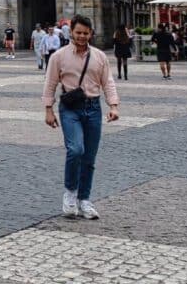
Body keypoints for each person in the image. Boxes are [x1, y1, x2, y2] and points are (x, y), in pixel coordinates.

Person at [43, 16, 120, 220]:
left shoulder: (100, 56)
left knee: (89, 158)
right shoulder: (58, 56)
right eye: (78, 32)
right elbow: (50, 83)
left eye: (86, 33)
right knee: (76, 149)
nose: (82, 36)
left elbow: (108, 82)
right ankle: (70, 193)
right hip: (70, 108)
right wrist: (48, 109)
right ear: (71, 32)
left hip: (93, 107)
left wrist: (113, 105)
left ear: (91, 34)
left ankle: (84, 199)